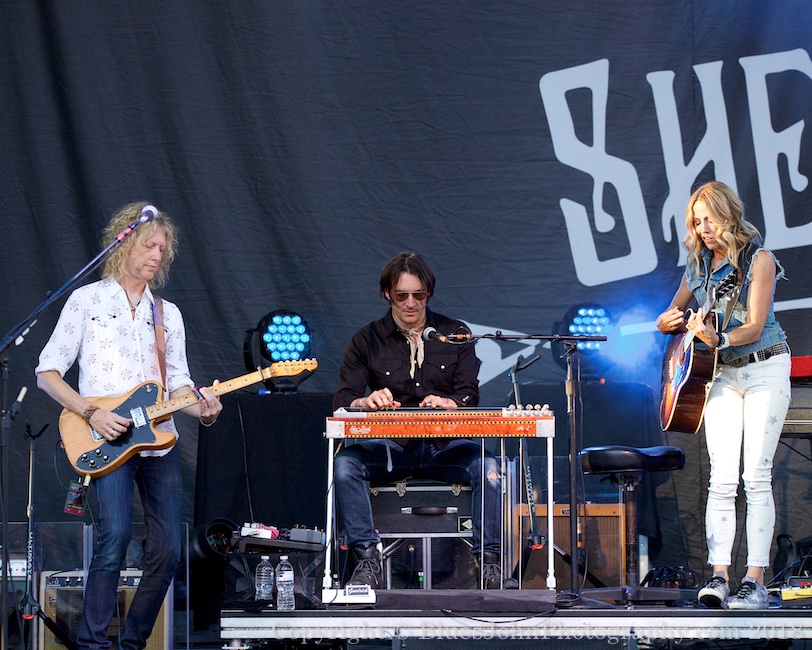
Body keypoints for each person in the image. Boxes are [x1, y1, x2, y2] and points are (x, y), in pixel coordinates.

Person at [36, 202, 223, 648]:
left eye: (163, 247)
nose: (157, 254)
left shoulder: (167, 313)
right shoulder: (87, 300)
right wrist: (91, 412)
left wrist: (204, 408)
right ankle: (94, 644)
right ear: (123, 242)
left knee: (168, 552)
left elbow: (177, 384)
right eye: (149, 244)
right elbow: (47, 372)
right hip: (106, 435)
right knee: (115, 537)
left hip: (160, 441)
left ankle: (132, 643)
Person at [332, 251, 517, 590]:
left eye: (419, 295)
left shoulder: (454, 333)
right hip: (392, 451)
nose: (411, 304)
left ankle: (488, 563)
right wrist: (365, 401)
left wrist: (452, 403)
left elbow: (469, 394)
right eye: (401, 296)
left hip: (443, 447)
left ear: (428, 293)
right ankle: (367, 559)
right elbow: (343, 400)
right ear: (388, 293)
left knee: (491, 469)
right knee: (345, 465)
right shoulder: (366, 340)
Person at [656, 181, 791, 610]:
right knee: (722, 478)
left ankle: (755, 579)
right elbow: (676, 313)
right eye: (697, 222)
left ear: (729, 215)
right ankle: (719, 576)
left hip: (765, 366)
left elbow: (752, 326)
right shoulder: (697, 266)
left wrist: (719, 338)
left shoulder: (760, 260)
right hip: (719, 375)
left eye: (709, 219)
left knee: (756, 475)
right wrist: (666, 321)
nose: (703, 229)